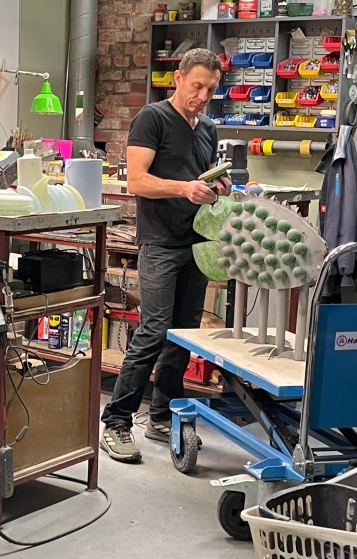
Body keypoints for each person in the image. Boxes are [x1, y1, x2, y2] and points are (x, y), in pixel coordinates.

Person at [100, 48, 230, 462]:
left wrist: (217, 187)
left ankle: (162, 415)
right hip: (159, 242)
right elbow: (137, 181)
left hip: (196, 242)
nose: (203, 96)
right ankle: (117, 422)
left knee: (183, 333)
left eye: (210, 89)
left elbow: (201, 177)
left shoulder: (207, 128)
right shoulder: (152, 118)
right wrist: (184, 188)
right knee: (154, 330)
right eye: (197, 86)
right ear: (178, 78)